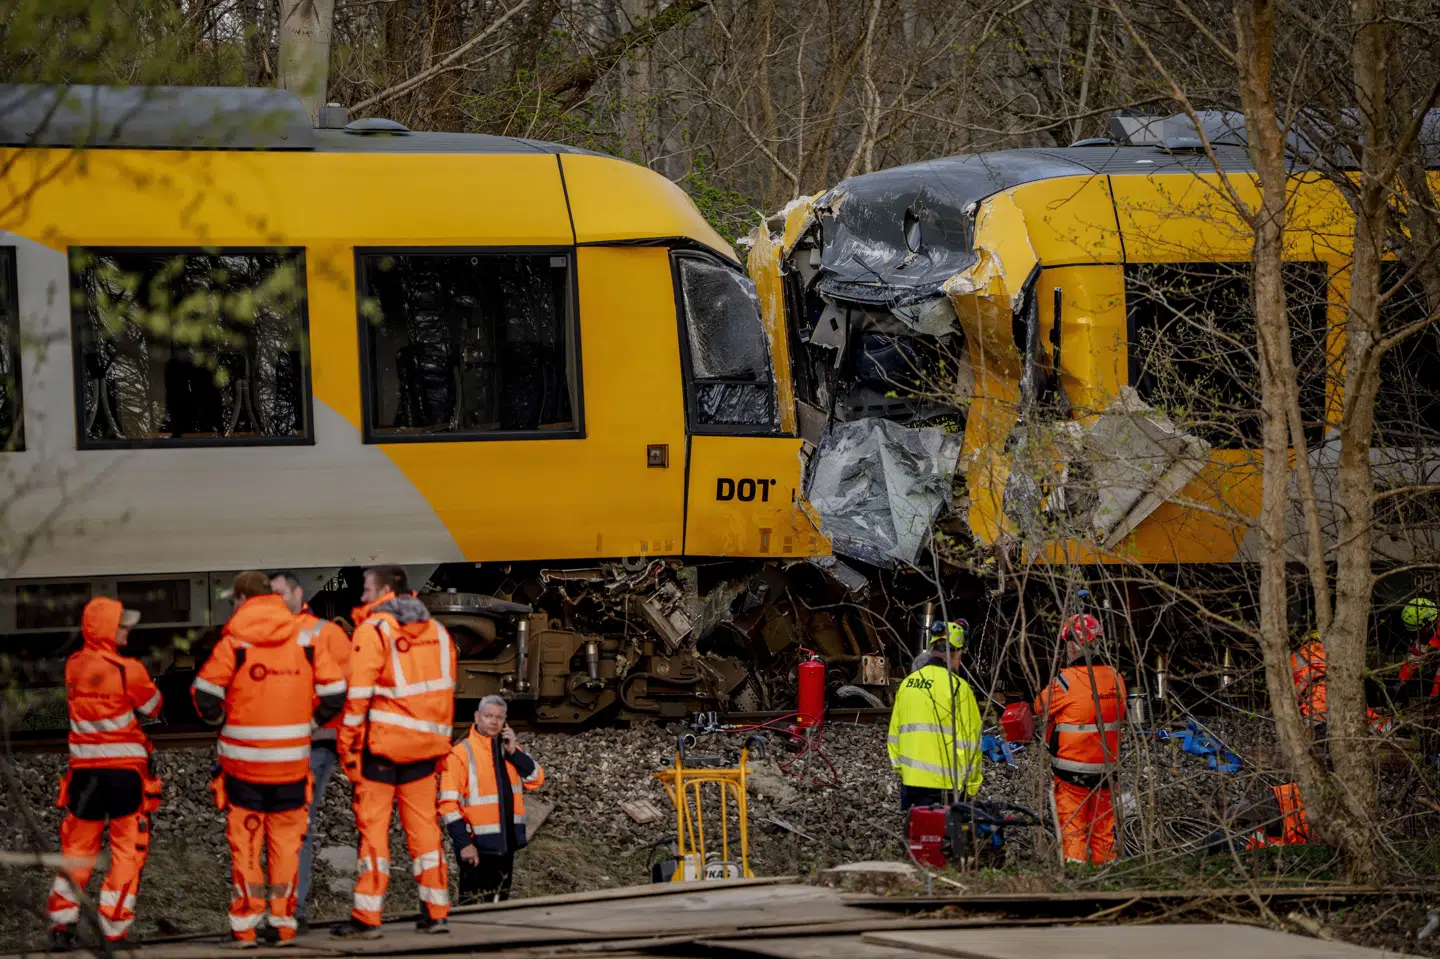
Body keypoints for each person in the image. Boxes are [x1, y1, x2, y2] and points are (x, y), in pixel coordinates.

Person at [192, 571, 346, 946]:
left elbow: (205, 695)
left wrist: (224, 723)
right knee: (286, 848)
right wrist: (309, 723)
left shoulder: (234, 642)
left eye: (234, 600)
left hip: (243, 769)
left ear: (244, 600)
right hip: (291, 767)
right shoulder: (305, 639)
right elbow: (335, 692)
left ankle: (246, 926)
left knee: (246, 849)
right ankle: (283, 922)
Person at [334, 566, 456, 939]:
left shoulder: (374, 630)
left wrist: (347, 745)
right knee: (425, 830)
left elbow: (357, 695)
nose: (362, 596)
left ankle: (367, 917)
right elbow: (445, 692)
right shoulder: (437, 631)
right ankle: (436, 912)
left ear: (385, 590)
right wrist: (440, 745)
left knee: (373, 831)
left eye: (367, 588)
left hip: (382, 750)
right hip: (424, 751)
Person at [45, 597, 164, 950]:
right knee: (127, 851)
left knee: (77, 851)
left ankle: (61, 925)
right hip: (125, 776)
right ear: (108, 630)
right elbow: (153, 706)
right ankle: (113, 930)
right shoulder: (129, 669)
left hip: (84, 775)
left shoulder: (73, 666)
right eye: (121, 625)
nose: (127, 630)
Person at [269, 571, 352, 934]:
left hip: (311, 744)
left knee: (292, 825)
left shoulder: (321, 633)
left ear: (299, 593)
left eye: (281, 593)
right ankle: (287, 909)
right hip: (287, 744)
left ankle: (290, 910)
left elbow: (345, 690)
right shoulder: (277, 633)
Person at [1034, 613, 1126, 866]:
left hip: (1072, 772)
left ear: (1073, 644)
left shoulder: (1065, 682)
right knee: (1103, 830)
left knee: (1073, 828)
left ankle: (1075, 875)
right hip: (1107, 770)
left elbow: (1040, 707)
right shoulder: (1116, 678)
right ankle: (1107, 875)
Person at [438, 696, 545, 903]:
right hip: (476, 848)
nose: (494, 721)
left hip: (506, 845)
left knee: (499, 905)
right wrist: (464, 844)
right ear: (477, 717)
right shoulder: (460, 754)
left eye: (499, 717)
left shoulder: (509, 751)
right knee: (473, 908)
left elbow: (536, 779)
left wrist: (514, 752)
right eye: (488, 716)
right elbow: (448, 805)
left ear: (505, 721)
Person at [887, 619, 983, 810]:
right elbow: (971, 745)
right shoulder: (959, 688)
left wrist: (904, 772)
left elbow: (894, 737)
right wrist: (971, 786)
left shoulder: (907, 684)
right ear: (956, 652)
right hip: (946, 788)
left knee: (915, 828)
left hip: (910, 784)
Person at [1398, 597, 1440, 700]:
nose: (1418, 634)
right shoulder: (1425, 639)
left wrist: (1434, 698)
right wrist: (1403, 679)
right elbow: (1415, 657)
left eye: (1420, 630)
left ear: (1429, 623)